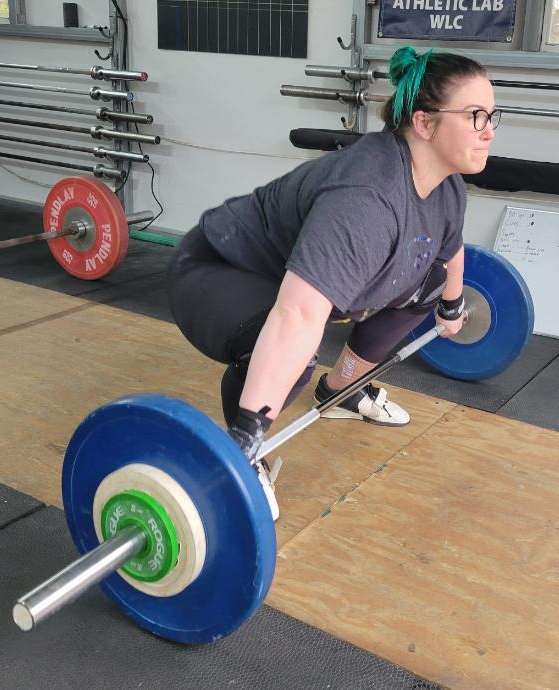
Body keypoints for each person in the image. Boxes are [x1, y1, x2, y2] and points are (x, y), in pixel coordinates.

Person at [166, 47, 501, 520]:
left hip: (289, 278)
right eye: (473, 116)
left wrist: (449, 305)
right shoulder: (366, 199)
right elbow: (296, 315)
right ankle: (245, 450)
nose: (488, 130)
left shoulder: (447, 185)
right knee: (294, 354)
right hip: (218, 268)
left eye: (491, 115)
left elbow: (448, 248)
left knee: (423, 286)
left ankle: (343, 388)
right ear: (424, 123)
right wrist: (245, 437)